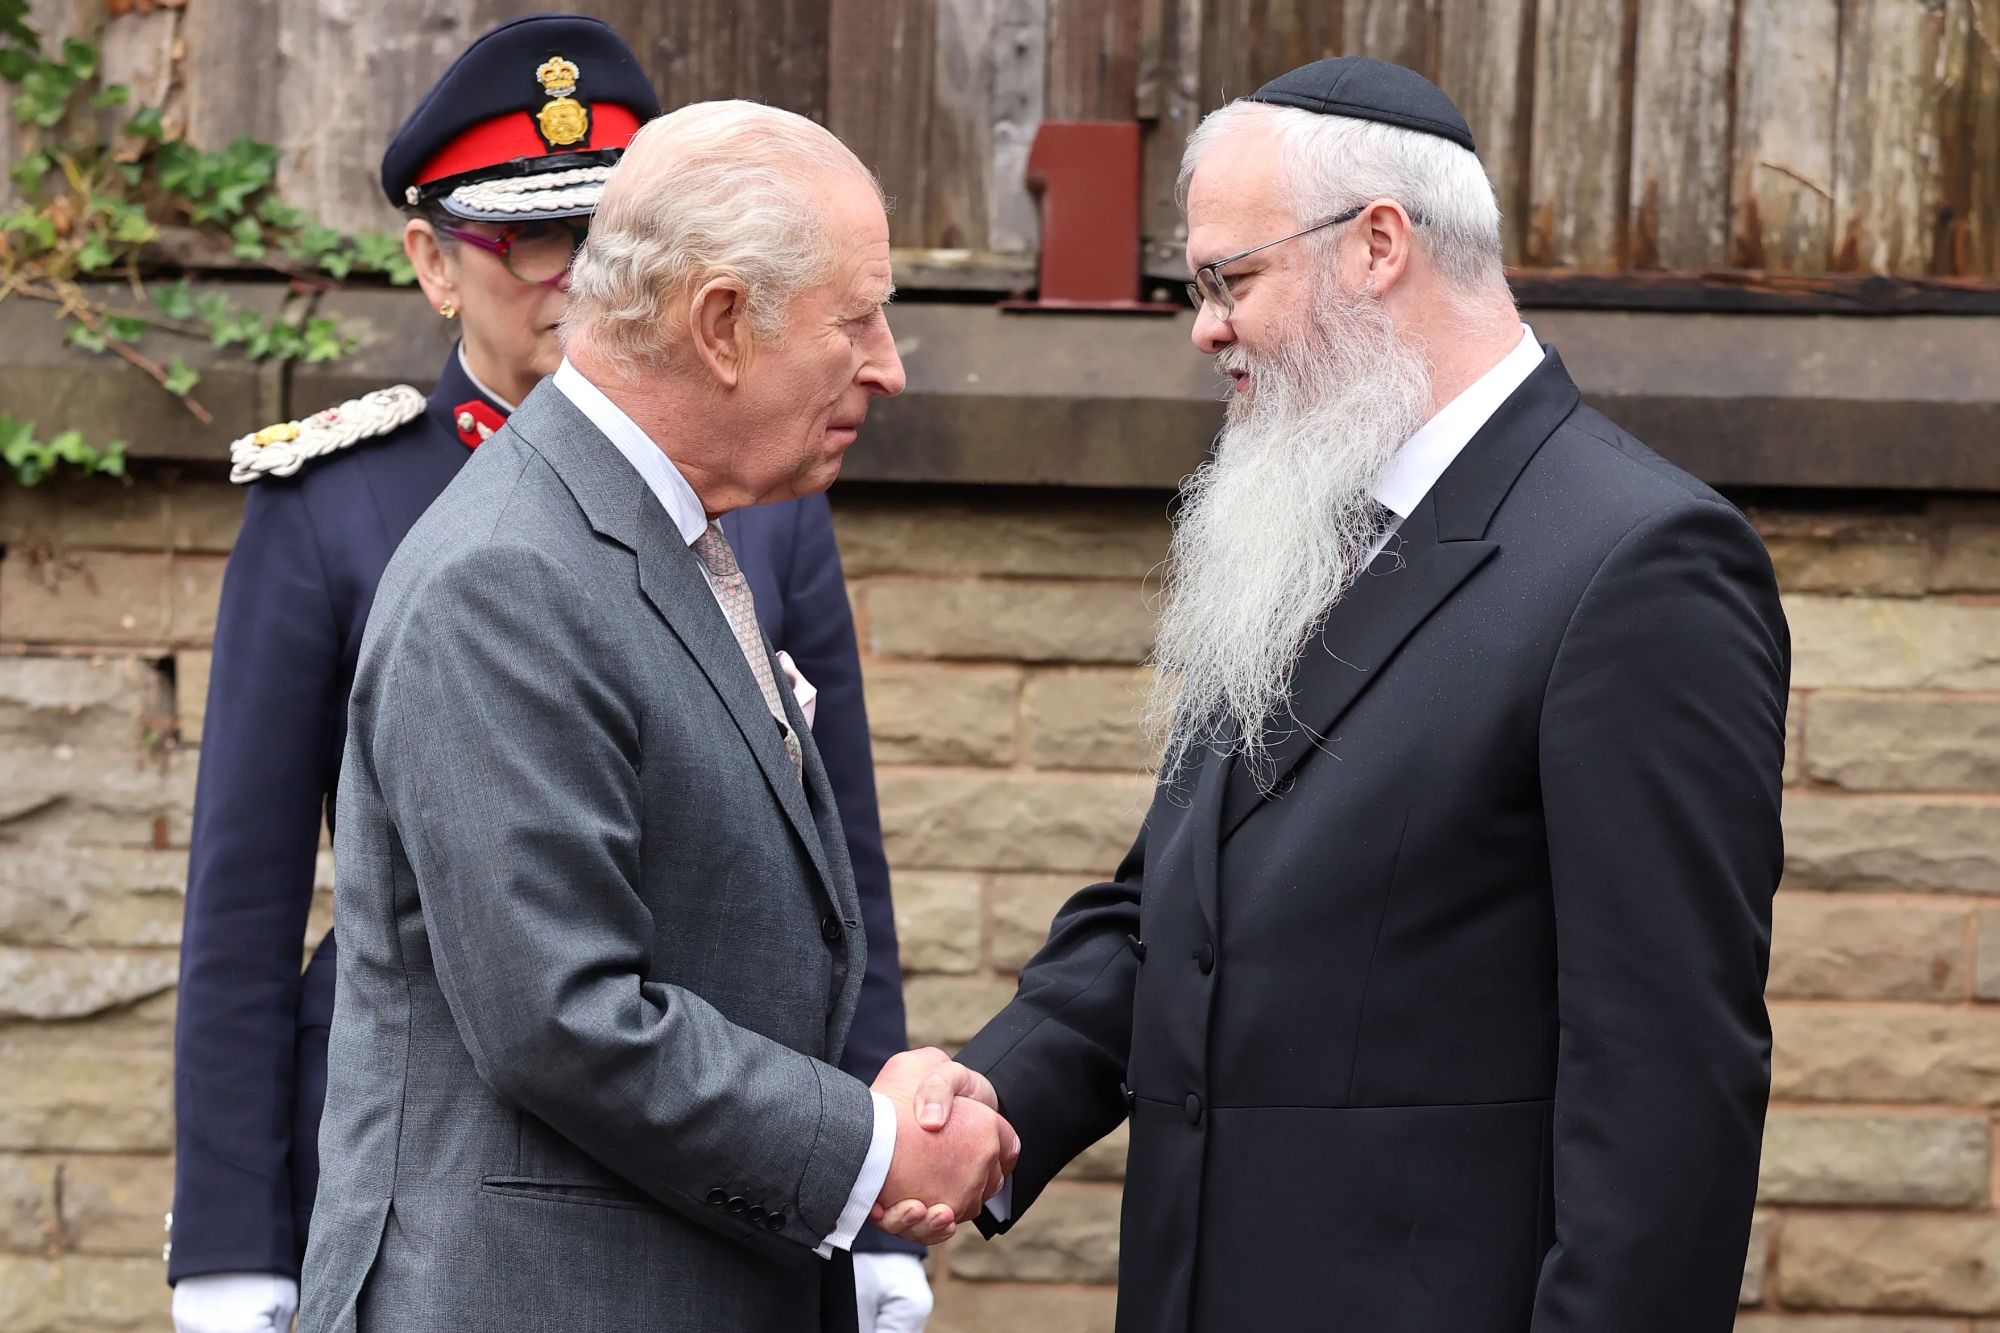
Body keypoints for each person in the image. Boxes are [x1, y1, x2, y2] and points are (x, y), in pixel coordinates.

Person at [890, 57, 1790, 1333]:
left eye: (1226, 280)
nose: (1203, 326)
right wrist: (981, 1101)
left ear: (1376, 246)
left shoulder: (1635, 564)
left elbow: (1666, 1090)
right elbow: (1170, 917)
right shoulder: (1294, 527)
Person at [169, 18, 930, 1333]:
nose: (579, 274)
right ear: (432, 264)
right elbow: (244, 908)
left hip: (728, 1188)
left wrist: (872, 1201)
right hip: (444, 1174)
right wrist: (234, 1251)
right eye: (533, 236)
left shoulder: (768, 499)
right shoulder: (344, 507)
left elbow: (830, 879)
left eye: (609, 229)